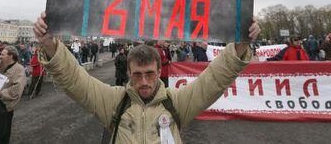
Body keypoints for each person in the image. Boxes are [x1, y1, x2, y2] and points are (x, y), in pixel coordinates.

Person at [33, 12, 260, 143]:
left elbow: (214, 80)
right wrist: (49, 45)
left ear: (159, 72)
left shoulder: (177, 101)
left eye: (150, 74)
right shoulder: (114, 101)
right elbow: (75, 81)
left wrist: (240, 46)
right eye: (137, 75)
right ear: (129, 74)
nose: (143, 81)